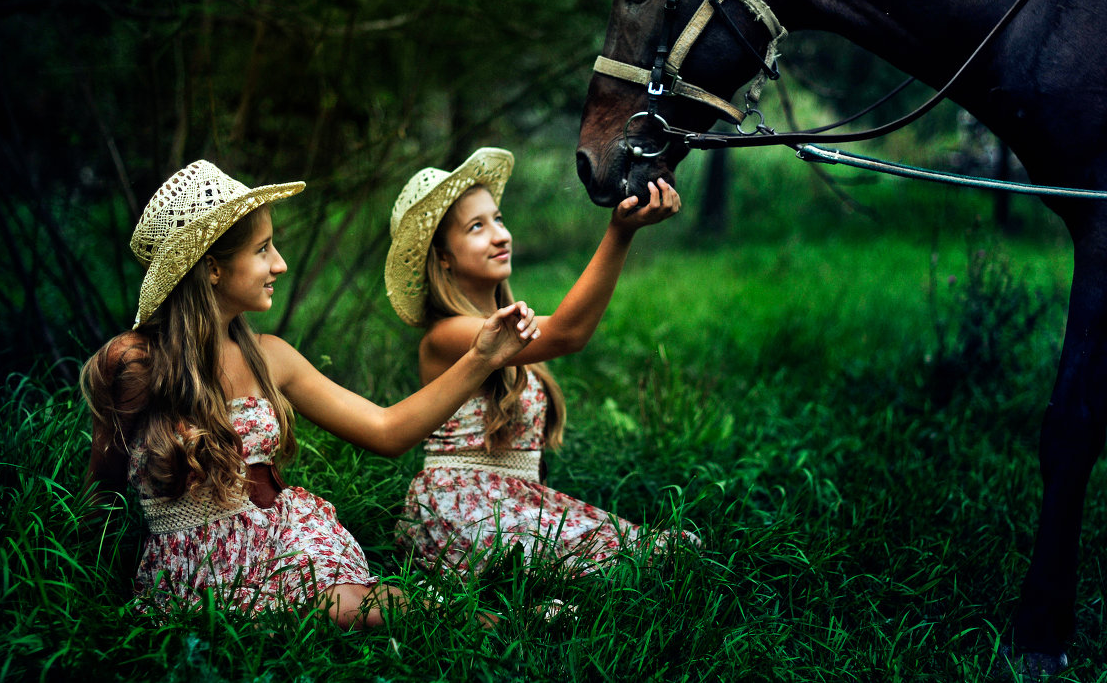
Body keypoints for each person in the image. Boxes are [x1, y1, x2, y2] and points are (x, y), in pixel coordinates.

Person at [81, 159, 538, 629]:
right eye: (263, 250)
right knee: (354, 609)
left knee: (357, 607)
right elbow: (101, 490)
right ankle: (492, 619)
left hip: (282, 538)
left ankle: (504, 622)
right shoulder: (134, 362)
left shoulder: (269, 356)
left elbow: (386, 430)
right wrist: (84, 587)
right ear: (213, 269)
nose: (279, 263)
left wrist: (480, 359)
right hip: (196, 567)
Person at [384, 147, 697, 578]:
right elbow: (569, 332)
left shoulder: (495, 331)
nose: (500, 235)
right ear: (443, 257)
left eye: (498, 218)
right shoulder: (447, 335)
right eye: (477, 227)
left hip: (514, 502)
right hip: (462, 508)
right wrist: (619, 233)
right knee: (643, 562)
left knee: (668, 555)